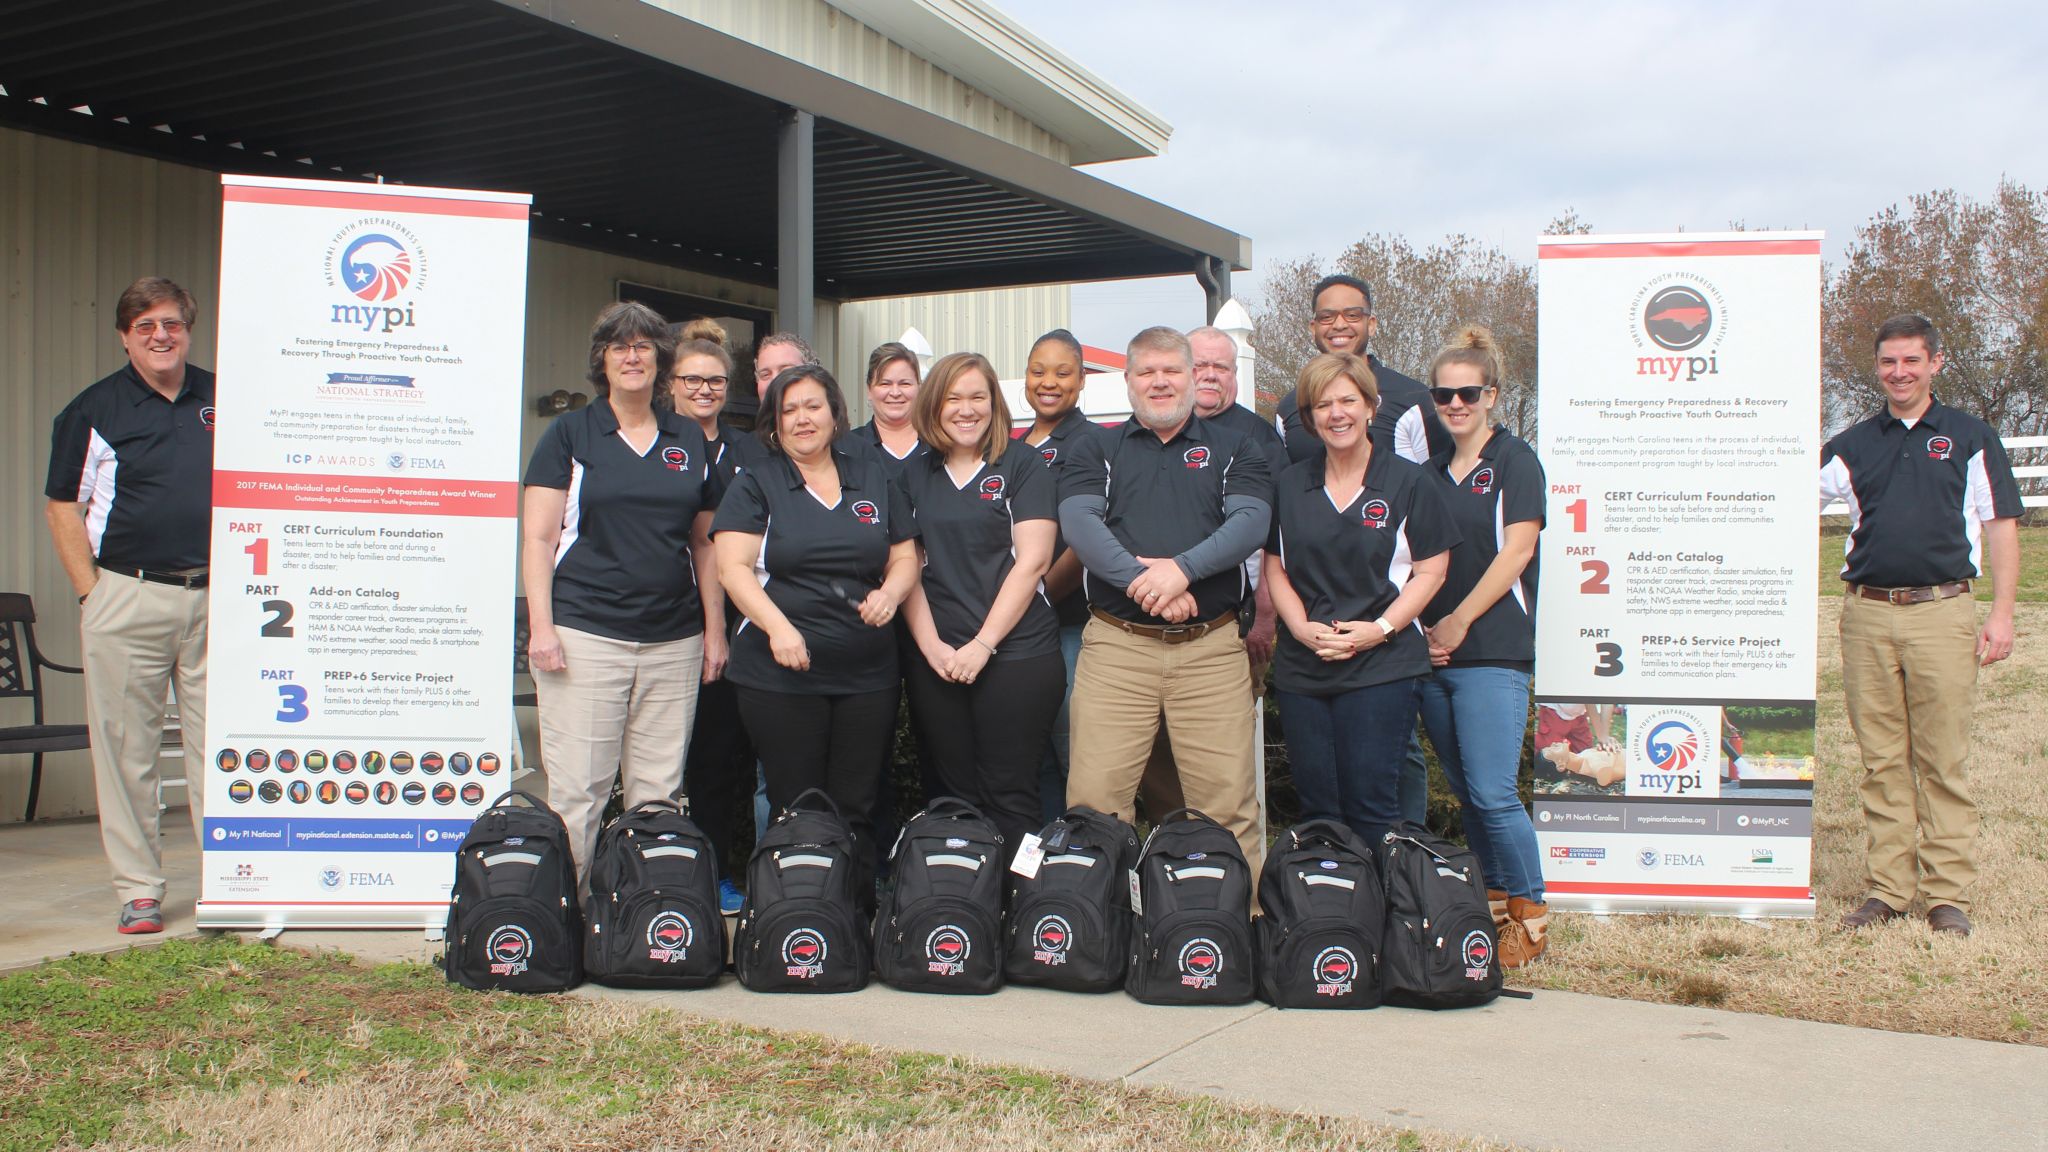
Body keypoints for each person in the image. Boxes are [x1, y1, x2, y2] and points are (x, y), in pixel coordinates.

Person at [1820, 314, 2022, 937]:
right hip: (1868, 614)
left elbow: (2002, 526)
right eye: (1888, 362)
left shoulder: (1970, 436)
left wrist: (2002, 613)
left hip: (1943, 612)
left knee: (1941, 759)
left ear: (1935, 362)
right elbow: (1778, 506)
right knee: (1881, 759)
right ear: (1877, 367)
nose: (1899, 373)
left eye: (1911, 360)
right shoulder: (1850, 445)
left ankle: (1944, 894)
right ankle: (1888, 888)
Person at [522, 302, 723, 889]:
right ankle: (569, 920)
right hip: (586, 634)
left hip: (674, 640)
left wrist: (713, 630)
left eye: (643, 346)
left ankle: (640, 920)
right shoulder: (570, 432)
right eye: (619, 347)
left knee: (658, 794)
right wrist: (541, 626)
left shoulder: (686, 435)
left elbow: (705, 543)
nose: (632, 356)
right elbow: (538, 537)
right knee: (578, 793)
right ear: (602, 360)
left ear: (661, 358)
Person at [1058, 327, 1273, 871]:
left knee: (1227, 807)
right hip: (1117, 649)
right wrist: (1147, 585)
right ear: (1127, 382)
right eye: (1146, 372)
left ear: (1192, 375)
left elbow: (1250, 523)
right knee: (1096, 806)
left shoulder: (1238, 445)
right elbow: (1081, 526)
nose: (1159, 382)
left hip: (1211, 649)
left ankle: (1233, 936)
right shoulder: (1095, 446)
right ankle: (1098, 942)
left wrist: (1181, 571)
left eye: (1171, 370)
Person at [44, 277, 213, 934]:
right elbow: (63, 505)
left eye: (170, 323)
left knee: (219, 750)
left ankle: (228, 880)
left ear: (187, 329)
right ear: (125, 336)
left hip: (218, 601)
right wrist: (92, 593)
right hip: (127, 596)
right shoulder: (94, 410)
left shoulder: (221, 397)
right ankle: (140, 889)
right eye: (145, 327)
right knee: (127, 751)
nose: (160, 336)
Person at [713, 364, 919, 876]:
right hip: (780, 676)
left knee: (859, 804)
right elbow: (731, 569)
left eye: (813, 406)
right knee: (798, 806)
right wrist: (779, 628)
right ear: (774, 423)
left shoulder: (871, 475)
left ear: (834, 413)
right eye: (789, 410)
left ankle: (855, 917)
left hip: (867, 676)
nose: (802, 419)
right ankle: (799, 919)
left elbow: (906, 556)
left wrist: (891, 593)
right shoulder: (756, 483)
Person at [1275, 274, 1451, 827]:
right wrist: (1301, 628)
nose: (1336, 413)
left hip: (1381, 664)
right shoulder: (1290, 484)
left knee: (1374, 806)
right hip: (1306, 665)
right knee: (1319, 810)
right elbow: (1273, 564)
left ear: (1371, 407)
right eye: (1323, 404)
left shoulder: (1408, 481)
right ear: (1308, 417)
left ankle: (1390, 909)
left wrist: (1379, 630)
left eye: (1348, 400)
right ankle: (1329, 912)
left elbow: (1431, 569)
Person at [1415, 326, 1549, 966]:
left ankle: (1531, 911)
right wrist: (1423, 633)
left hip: (1490, 650)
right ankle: (1494, 906)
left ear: (1492, 395)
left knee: (1495, 792)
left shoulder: (1516, 462)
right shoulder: (1429, 473)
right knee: (1469, 791)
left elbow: (1517, 551)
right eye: (1444, 396)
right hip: (1434, 655)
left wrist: (1460, 621)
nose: (1456, 404)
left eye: (1468, 393)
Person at [898, 352, 1065, 848]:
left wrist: (983, 645)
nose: (966, 409)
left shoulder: (1023, 465)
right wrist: (932, 649)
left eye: (978, 397)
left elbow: (1032, 561)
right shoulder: (913, 475)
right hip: (939, 655)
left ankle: (1028, 907)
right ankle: (962, 912)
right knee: (951, 795)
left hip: (1016, 654)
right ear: (934, 405)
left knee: (1010, 793)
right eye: (953, 398)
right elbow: (906, 568)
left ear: (994, 404)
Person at [670, 319, 759, 912]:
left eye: (717, 381)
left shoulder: (747, 451)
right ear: (670, 383)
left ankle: (718, 869)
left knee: (720, 759)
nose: (705, 391)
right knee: (662, 761)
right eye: (693, 380)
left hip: (737, 623)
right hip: (665, 619)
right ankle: (657, 867)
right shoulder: (655, 443)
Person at [1021, 329, 1100, 817]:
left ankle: (1085, 867)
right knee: (1032, 755)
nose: (1048, 382)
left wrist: (1036, 597)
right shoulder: (1012, 445)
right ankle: (1043, 871)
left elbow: (1084, 541)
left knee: (1074, 754)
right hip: (1017, 627)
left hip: (1064, 623)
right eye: (1038, 371)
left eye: (1062, 372)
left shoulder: (1089, 443)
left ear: (1082, 380)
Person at [849, 342, 927, 476]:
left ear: (919, 388)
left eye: (905, 383)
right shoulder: (848, 447)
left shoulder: (940, 445)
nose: (895, 393)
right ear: (869, 390)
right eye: (885, 384)